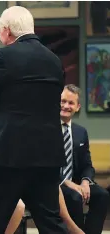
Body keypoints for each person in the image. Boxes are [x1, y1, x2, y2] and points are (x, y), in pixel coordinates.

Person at [0, 6, 68, 233]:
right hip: (47, 155)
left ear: (6, 31)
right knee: (50, 223)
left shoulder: (2, 56)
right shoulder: (54, 60)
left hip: (9, 155)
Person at [0, 87, 84, 234]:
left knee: (45, 178)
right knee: (37, 187)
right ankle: (69, 225)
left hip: (12, 172)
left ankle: (68, 224)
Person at [59, 84, 109, 234]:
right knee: (74, 196)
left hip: (76, 183)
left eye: (71, 103)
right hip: (55, 183)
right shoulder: (47, 128)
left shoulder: (81, 132)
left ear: (78, 107)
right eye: (63, 101)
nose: (66, 106)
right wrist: (69, 184)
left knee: (102, 195)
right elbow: (44, 164)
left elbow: (87, 164)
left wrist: (86, 182)